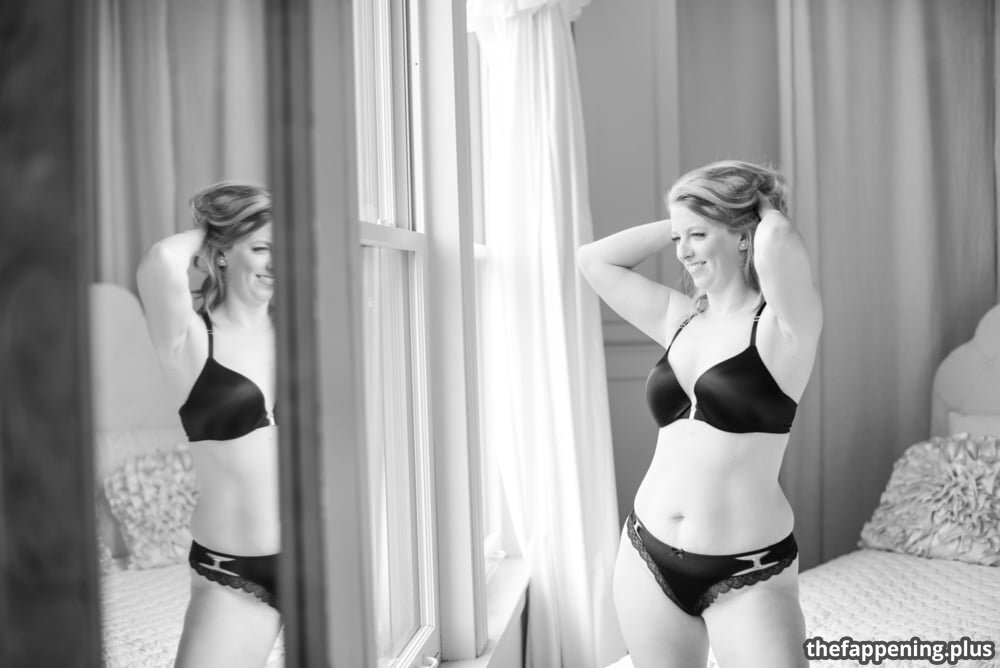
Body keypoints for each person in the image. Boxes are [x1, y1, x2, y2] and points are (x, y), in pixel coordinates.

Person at [578, 160, 822, 668]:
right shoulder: (680, 318)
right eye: (677, 238)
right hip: (646, 552)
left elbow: (778, 239)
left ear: (742, 237)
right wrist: (685, 219)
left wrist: (758, 208)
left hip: (747, 571)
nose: (682, 251)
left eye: (698, 236)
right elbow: (593, 260)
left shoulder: (783, 328)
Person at [137, 182, 281, 667]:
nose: (275, 263)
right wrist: (216, 230)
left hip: (323, 561)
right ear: (221, 254)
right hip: (235, 575)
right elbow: (160, 260)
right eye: (260, 249)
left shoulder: (301, 332)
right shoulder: (192, 340)